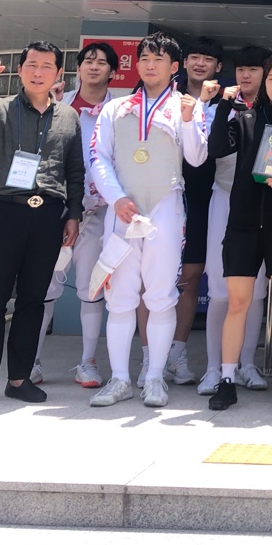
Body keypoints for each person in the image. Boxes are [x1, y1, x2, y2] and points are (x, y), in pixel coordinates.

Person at [0, 41, 84, 409]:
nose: (38, 72)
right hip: (3, 212)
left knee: (33, 299)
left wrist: (73, 214)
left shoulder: (68, 117)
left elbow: (75, 170)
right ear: (20, 70)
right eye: (32, 65)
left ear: (58, 73)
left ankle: (19, 379)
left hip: (47, 215)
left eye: (46, 66)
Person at [87, 32, 206, 409]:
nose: (150, 65)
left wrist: (188, 120)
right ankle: (120, 378)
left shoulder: (186, 106)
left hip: (165, 209)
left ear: (174, 67)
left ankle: (154, 377)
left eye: (159, 59)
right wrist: (116, 198)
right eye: (145, 58)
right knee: (120, 297)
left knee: (160, 296)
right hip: (123, 211)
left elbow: (197, 158)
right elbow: (98, 157)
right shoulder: (115, 108)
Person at [205, 51, 272, 414]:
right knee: (238, 303)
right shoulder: (246, 119)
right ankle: (226, 379)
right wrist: (224, 106)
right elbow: (217, 148)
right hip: (243, 225)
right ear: (264, 82)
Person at [31, 42, 117, 389]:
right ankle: (31, 361)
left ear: (113, 71)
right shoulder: (58, 104)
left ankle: (88, 363)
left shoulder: (119, 110)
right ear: (78, 69)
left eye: (102, 62)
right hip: (55, 211)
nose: (94, 66)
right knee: (43, 288)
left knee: (91, 289)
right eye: (88, 61)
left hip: (97, 213)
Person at [197, 45, 272, 396]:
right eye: (241, 68)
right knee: (219, 288)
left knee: (255, 290)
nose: (246, 75)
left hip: (261, 203)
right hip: (224, 197)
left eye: (253, 69)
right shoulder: (221, 108)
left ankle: (247, 364)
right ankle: (214, 368)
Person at [158, 36, 224, 390]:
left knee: (191, 275)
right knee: (155, 277)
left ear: (218, 67)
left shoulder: (226, 102)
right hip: (163, 194)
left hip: (203, 196)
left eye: (207, 59)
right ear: (183, 63)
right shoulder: (164, 96)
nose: (200, 63)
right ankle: (152, 357)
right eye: (194, 57)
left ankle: (177, 354)